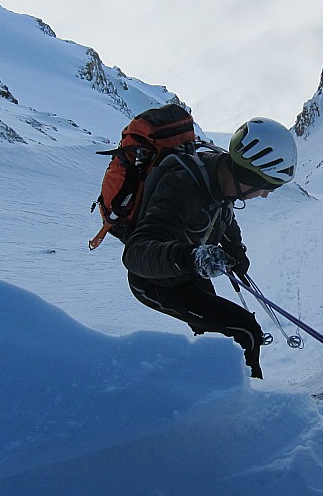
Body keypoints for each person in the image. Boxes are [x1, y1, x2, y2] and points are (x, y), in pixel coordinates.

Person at [122, 117, 298, 378]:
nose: (265, 195)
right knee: (245, 331)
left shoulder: (218, 177)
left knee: (216, 340)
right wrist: (191, 258)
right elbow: (135, 253)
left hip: (188, 275)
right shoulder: (183, 187)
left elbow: (225, 217)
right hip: (157, 283)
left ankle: (212, 392)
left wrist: (236, 252)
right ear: (247, 176)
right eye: (265, 187)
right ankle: (251, 403)